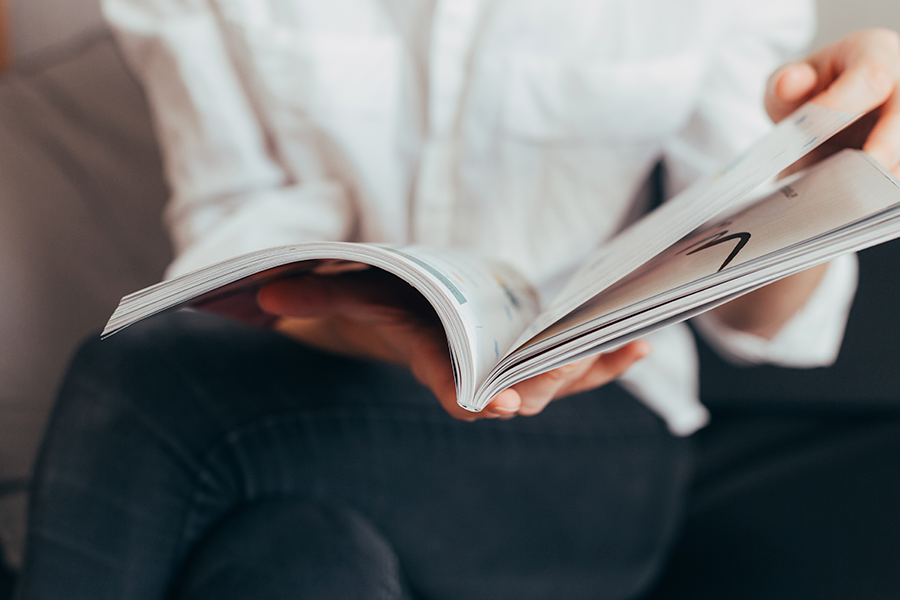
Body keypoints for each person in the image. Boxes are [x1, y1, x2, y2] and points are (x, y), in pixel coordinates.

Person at [15, 0, 900, 598]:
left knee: (144, 381)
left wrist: (826, 179)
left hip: (590, 438)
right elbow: (233, 241)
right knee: (298, 558)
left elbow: (757, 324)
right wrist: (394, 329)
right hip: (324, 371)